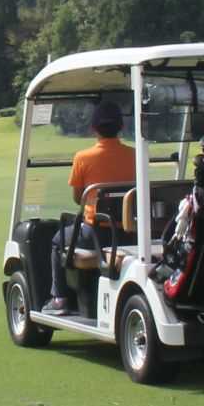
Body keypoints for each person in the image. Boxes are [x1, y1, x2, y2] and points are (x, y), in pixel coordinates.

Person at [46, 99, 136, 314]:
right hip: (129, 232)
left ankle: (59, 298)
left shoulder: (83, 158)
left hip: (94, 234)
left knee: (58, 240)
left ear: (93, 128)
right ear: (121, 127)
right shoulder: (133, 155)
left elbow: (79, 198)